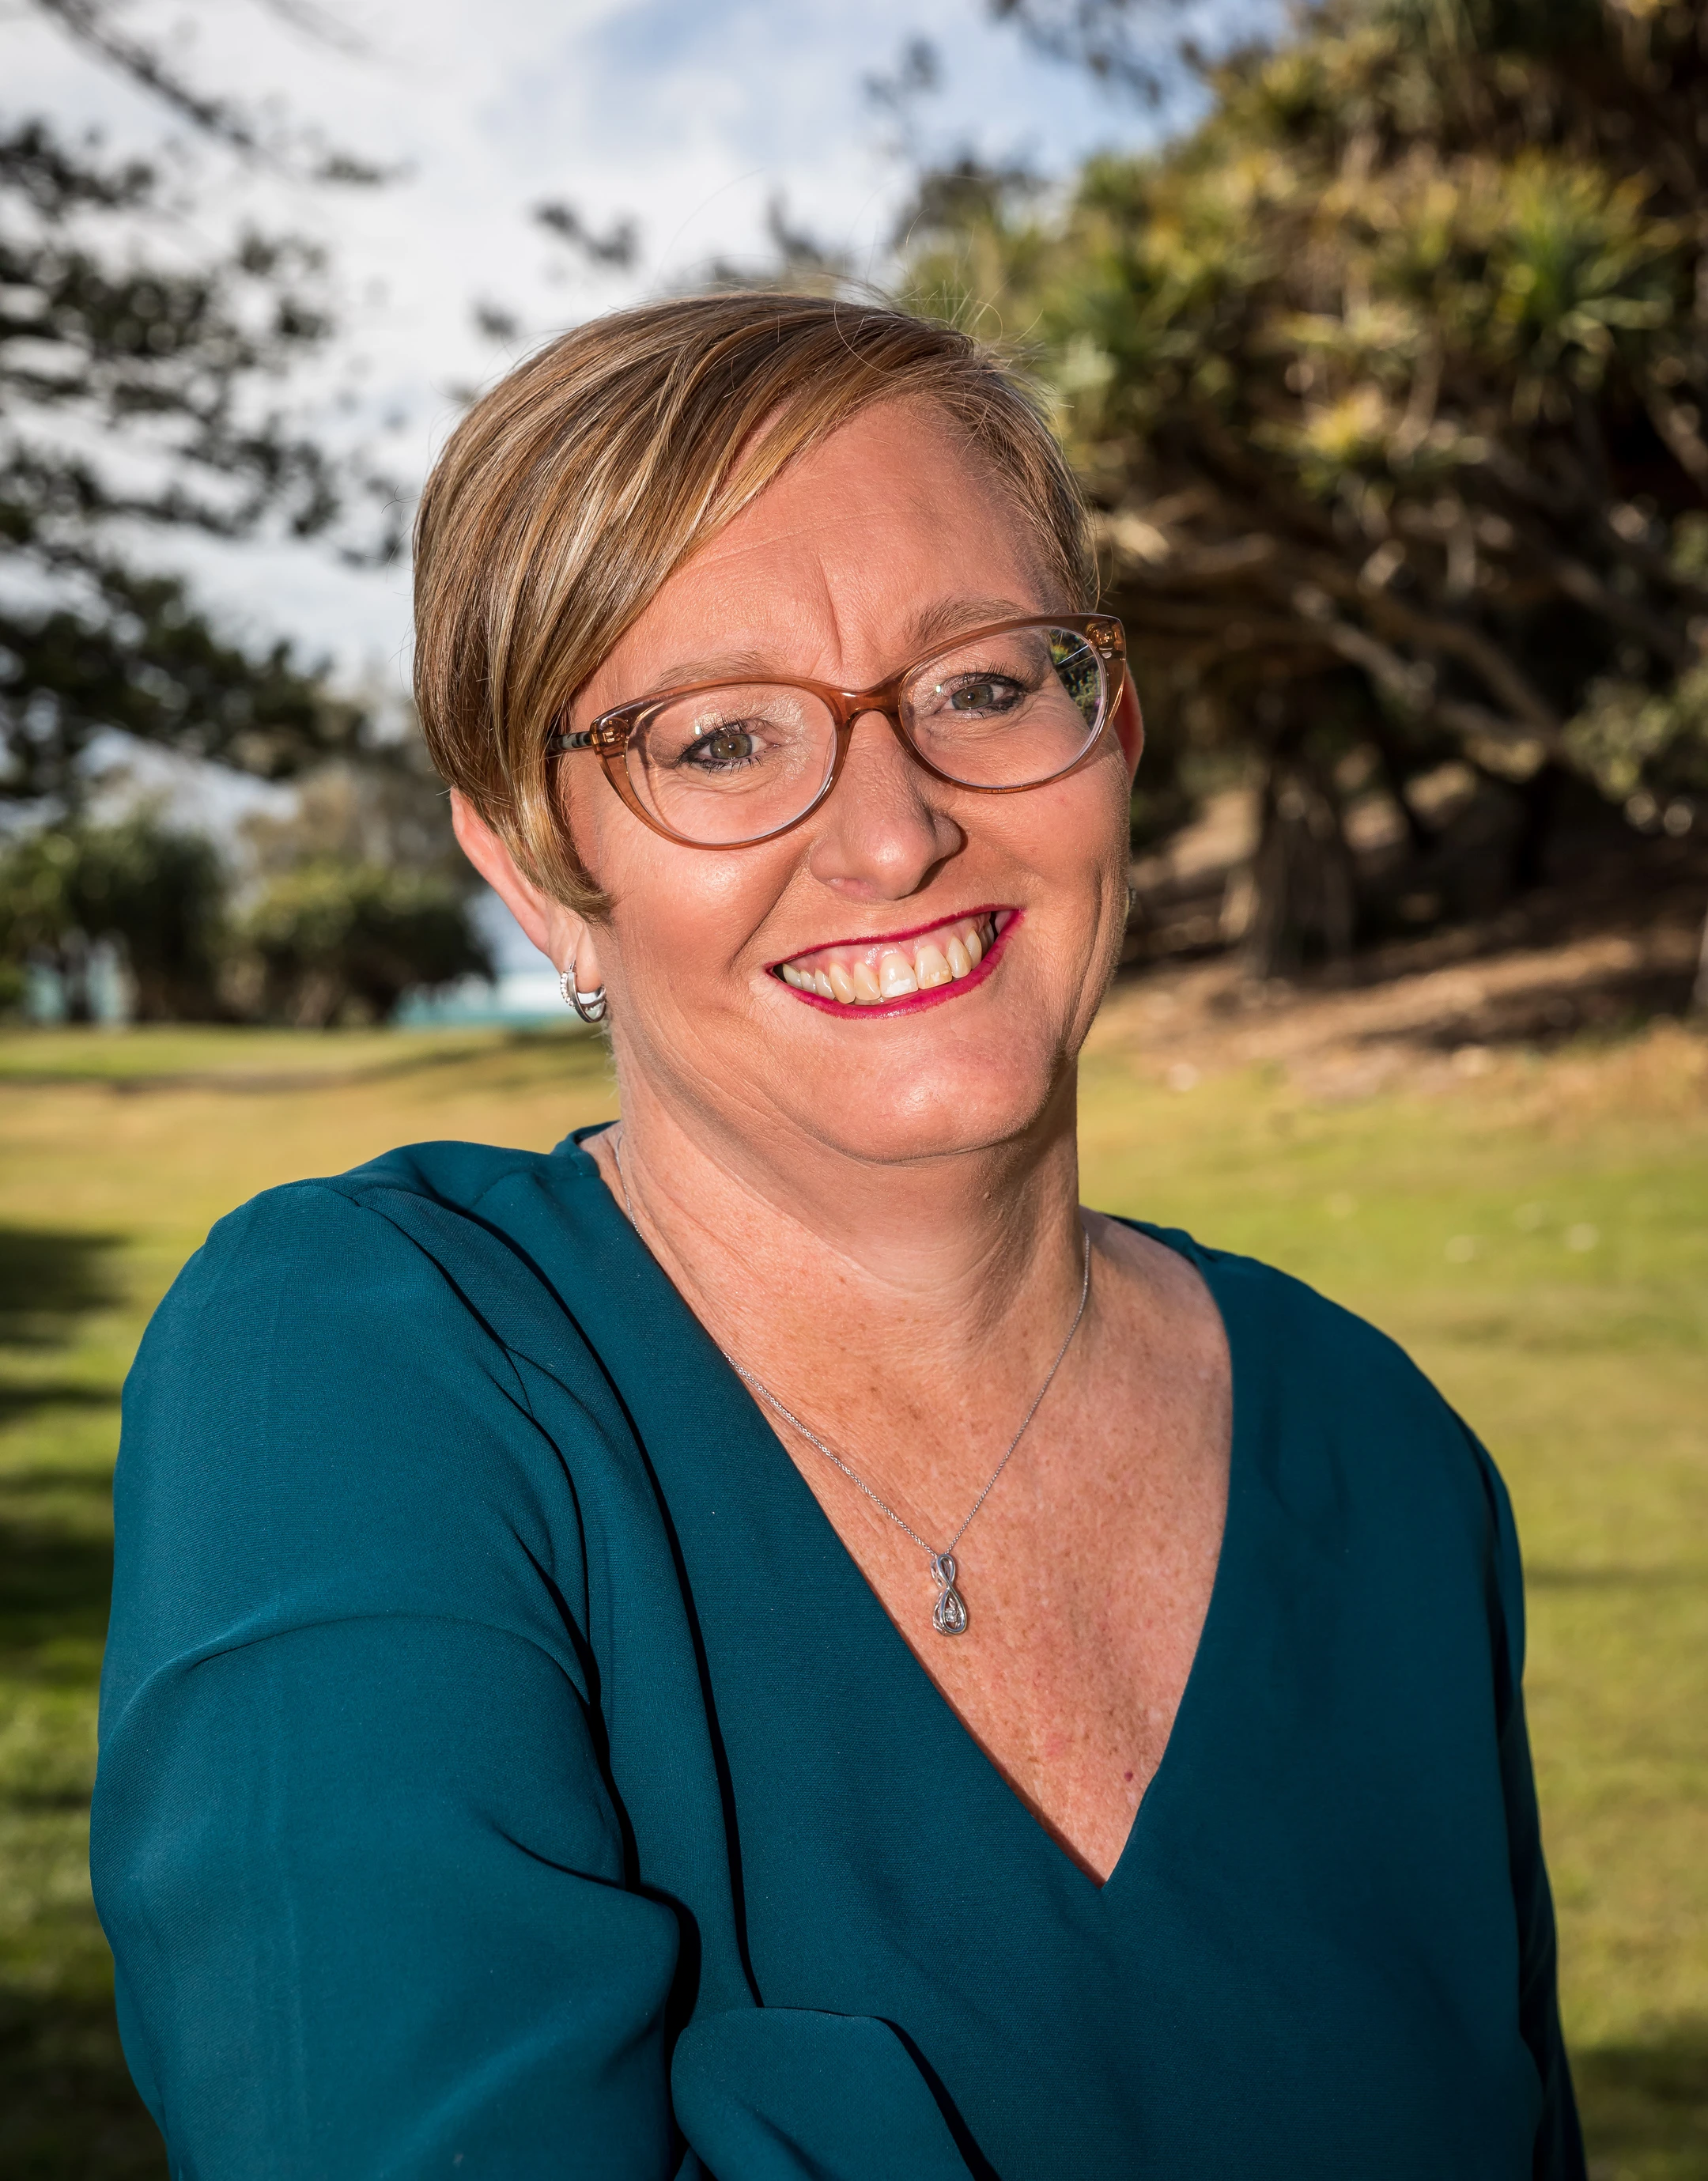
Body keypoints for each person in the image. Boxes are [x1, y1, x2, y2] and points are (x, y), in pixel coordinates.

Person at [92, 294, 1585, 2180]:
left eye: (981, 685)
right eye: (718, 737)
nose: (891, 833)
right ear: (537, 863)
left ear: (1111, 723)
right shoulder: (356, 1367)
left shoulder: (1382, 1453)